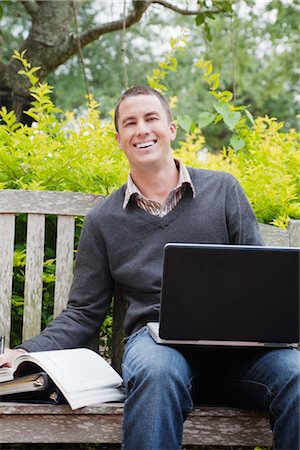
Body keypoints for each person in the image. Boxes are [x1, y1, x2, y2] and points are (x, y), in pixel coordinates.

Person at [1, 86, 299, 450]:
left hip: (237, 355)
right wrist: (24, 352)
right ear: (119, 139)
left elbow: (261, 279)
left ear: (171, 129)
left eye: (151, 118)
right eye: (130, 123)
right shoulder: (104, 220)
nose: (141, 129)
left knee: (296, 376)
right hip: (158, 345)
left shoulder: (223, 191)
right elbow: (82, 312)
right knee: (157, 373)